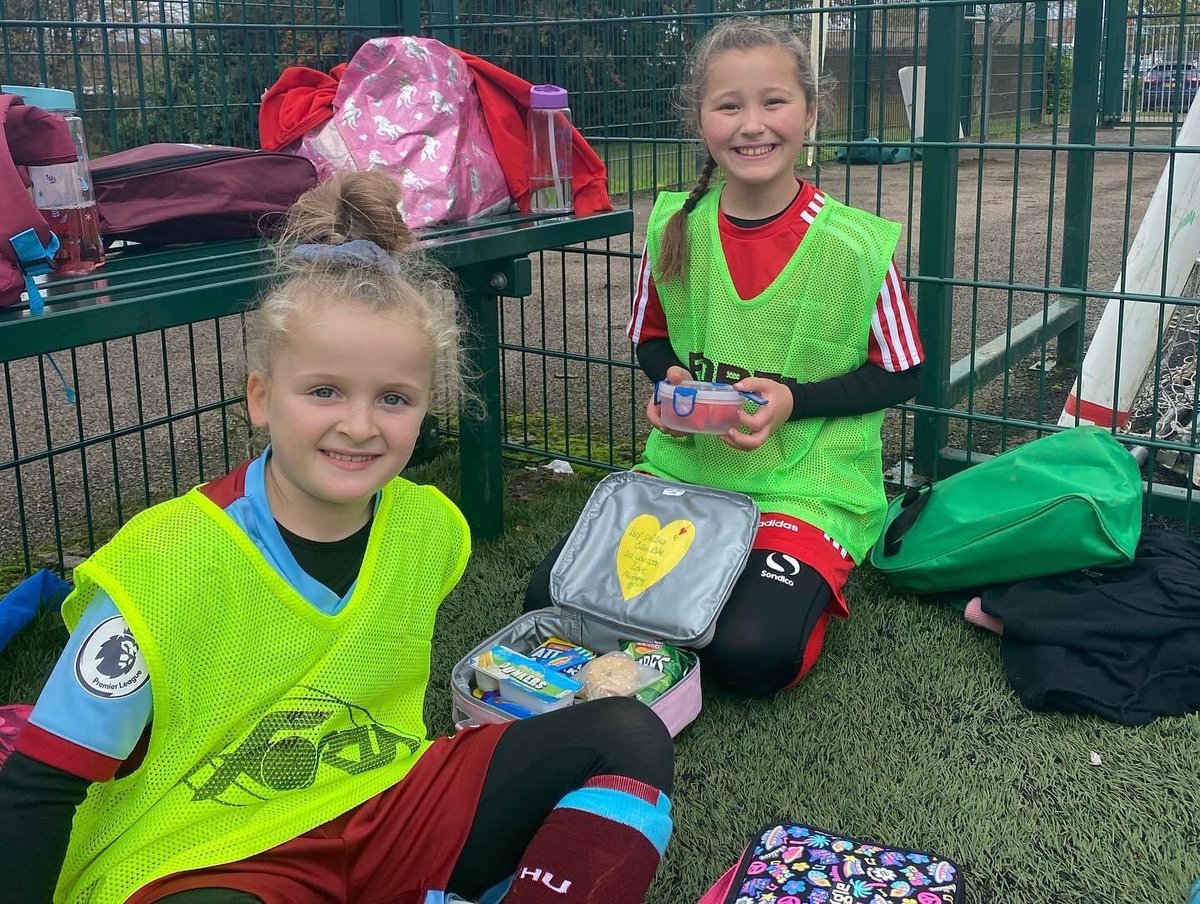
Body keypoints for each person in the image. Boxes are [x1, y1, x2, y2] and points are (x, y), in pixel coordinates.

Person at [0, 172, 673, 904]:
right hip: (211, 852)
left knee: (627, 735)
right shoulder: (163, 562)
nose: (359, 425)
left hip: (382, 803)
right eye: (324, 391)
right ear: (261, 397)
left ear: (427, 408)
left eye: (394, 398)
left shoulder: (429, 528)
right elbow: (39, 785)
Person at [528, 18, 924, 698]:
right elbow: (651, 339)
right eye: (729, 105)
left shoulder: (857, 246)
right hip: (686, 469)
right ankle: (688, 600)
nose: (752, 125)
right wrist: (670, 381)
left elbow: (904, 371)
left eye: (774, 102)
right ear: (701, 120)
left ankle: (772, 583)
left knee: (751, 652)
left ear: (809, 112)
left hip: (804, 486)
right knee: (549, 597)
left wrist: (793, 400)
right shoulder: (675, 224)